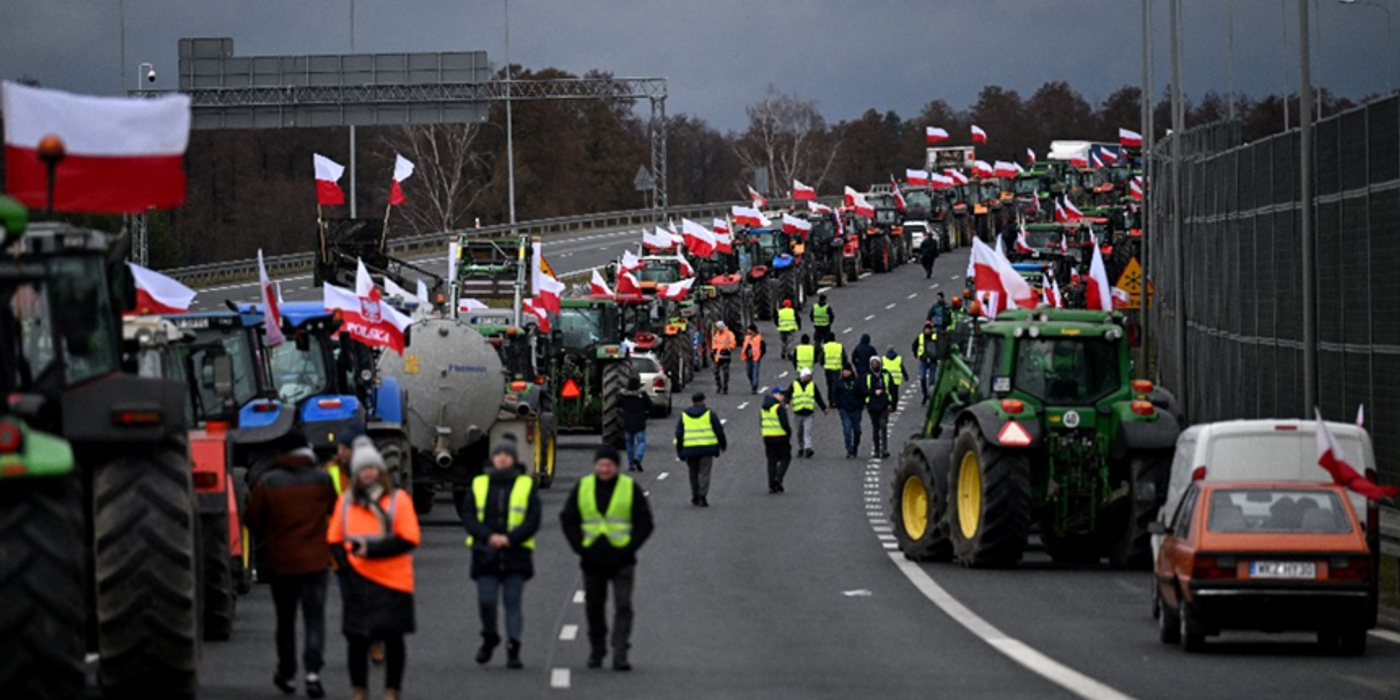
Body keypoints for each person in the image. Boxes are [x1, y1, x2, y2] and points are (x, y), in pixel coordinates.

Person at [246, 429, 338, 699]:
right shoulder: (322, 480)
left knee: (285, 621)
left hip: (281, 563)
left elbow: (252, 520)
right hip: (316, 562)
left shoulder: (269, 482)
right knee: (314, 618)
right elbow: (336, 509)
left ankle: (287, 673)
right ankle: (313, 674)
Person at [328, 438, 421, 700]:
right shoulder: (346, 503)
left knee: (393, 639)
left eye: (373, 468)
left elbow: (409, 538)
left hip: (394, 581)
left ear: (381, 471)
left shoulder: (398, 500)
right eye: (363, 469)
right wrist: (346, 568)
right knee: (356, 639)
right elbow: (334, 539)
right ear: (356, 474)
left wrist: (371, 550)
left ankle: (393, 690)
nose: (368, 473)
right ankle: (359, 689)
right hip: (359, 580)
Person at [560, 447, 655, 671]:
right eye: (600, 465)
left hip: (622, 560)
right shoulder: (583, 487)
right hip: (592, 560)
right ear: (595, 466)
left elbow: (645, 523)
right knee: (594, 608)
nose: (604, 469)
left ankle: (620, 651)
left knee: (623, 606)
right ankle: (597, 648)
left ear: (616, 467)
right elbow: (568, 519)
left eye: (609, 465)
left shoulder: (629, 488)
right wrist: (580, 548)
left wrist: (630, 546)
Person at [460, 439, 543, 670]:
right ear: (493, 459)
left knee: (512, 603)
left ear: (514, 459)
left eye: (507, 455)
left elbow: (533, 519)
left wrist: (510, 539)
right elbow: (468, 516)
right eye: (499, 455)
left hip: (516, 553)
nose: (503, 458)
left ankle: (513, 648)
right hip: (485, 553)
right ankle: (490, 636)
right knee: (486, 601)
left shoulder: (525, 485)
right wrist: (488, 537)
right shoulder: (479, 484)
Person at [674, 392, 727, 507]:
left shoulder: (684, 415)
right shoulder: (709, 414)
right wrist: (722, 445)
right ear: (703, 401)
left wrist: (679, 451)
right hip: (706, 449)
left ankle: (695, 495)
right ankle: (702, 496)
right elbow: (719, 431)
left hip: (689, 449)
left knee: (693, 473)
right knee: (704, 473)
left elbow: (679, 434)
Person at [789, 367, 829, 459]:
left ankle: (808, 448)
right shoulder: (794, 385)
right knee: (799, 432)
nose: (809, 378)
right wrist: (786, 403)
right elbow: (788, 394)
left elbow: (818, 397)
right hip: (798, 412)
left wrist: (824, 408)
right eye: (807, 376)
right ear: (802, 376)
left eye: (809, 376)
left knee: (807, 431)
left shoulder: (812, 385)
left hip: (809, 413)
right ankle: (801, 448)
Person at [760, 386, 793, 493]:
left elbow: (761, 423)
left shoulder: (763, 408)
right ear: (775, 395)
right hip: (780, 437)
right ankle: (778, 478)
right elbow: (784, 423)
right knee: (785, 459)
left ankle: (771, 486)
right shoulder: (778, 407)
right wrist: (788, 434)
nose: (782, 396)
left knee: (771, 462)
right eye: (780, 394)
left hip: (767, 437)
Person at [832, 365, 865, 459]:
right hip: (844, 410)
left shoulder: (857, 382)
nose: (845, 373)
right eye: (844, 371)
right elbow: (835, 394)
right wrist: (838, 405)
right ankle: (849, 450)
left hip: (856, 409)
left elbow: (862, 394)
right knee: (847, 429)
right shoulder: (839, 383)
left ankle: (855, 447)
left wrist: (860, 405)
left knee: (857, 430)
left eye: (847, 371)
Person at [865, 358, 895, 459]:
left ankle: (884, 449)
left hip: (884, 404)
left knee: (883, 426)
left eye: (876, 363)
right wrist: (873, 393)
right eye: (873, 363)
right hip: (872, 406)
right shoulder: (867, 376)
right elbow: (863, 390)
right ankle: (877, 450)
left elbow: (892, 388)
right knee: (875, 428)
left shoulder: (885, 375)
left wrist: (892, 402)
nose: (875, 365)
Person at [620, 377, 651, 473]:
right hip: (640, 422)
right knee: (641, 442)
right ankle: (638, 456)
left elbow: (617, 404)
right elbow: (650, 406)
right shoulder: (642, 395)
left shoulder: (624, 396)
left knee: (629, 444)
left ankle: (631, 465)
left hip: (628, 422)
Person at [912, 323, 940, 403]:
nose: (927, 331)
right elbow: (914, 345)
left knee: (932, 381)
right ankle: (925, 394)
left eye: (929, 329)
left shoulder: (935, 337)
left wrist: (938, 356)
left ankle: (931, 397)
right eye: (926, 329)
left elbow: (939, 347)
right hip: (923, 360)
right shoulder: (920, 337)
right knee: (922, 378)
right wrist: (916, 354)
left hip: (932, 361)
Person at [711, 320, 737, 394]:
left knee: (725, 373)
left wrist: (729, 349)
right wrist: (713, 351)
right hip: (717, 357)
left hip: (725, 356)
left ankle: (725, 386)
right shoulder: (717, 334)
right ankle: (719, 385)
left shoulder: (729, 334)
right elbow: (714, 343)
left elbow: (733, 343)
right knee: (716, 372)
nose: (716, 329)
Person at [741, 325, 766, 394]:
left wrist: (760, 356)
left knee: (755, 373)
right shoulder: (747, 337)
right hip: (748, 358)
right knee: (749, 373)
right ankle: (753, 383)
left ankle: (754, 386)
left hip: (756, 358)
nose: (748, 332)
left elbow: (763, 348)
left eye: (750, 331)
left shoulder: (759, 338)